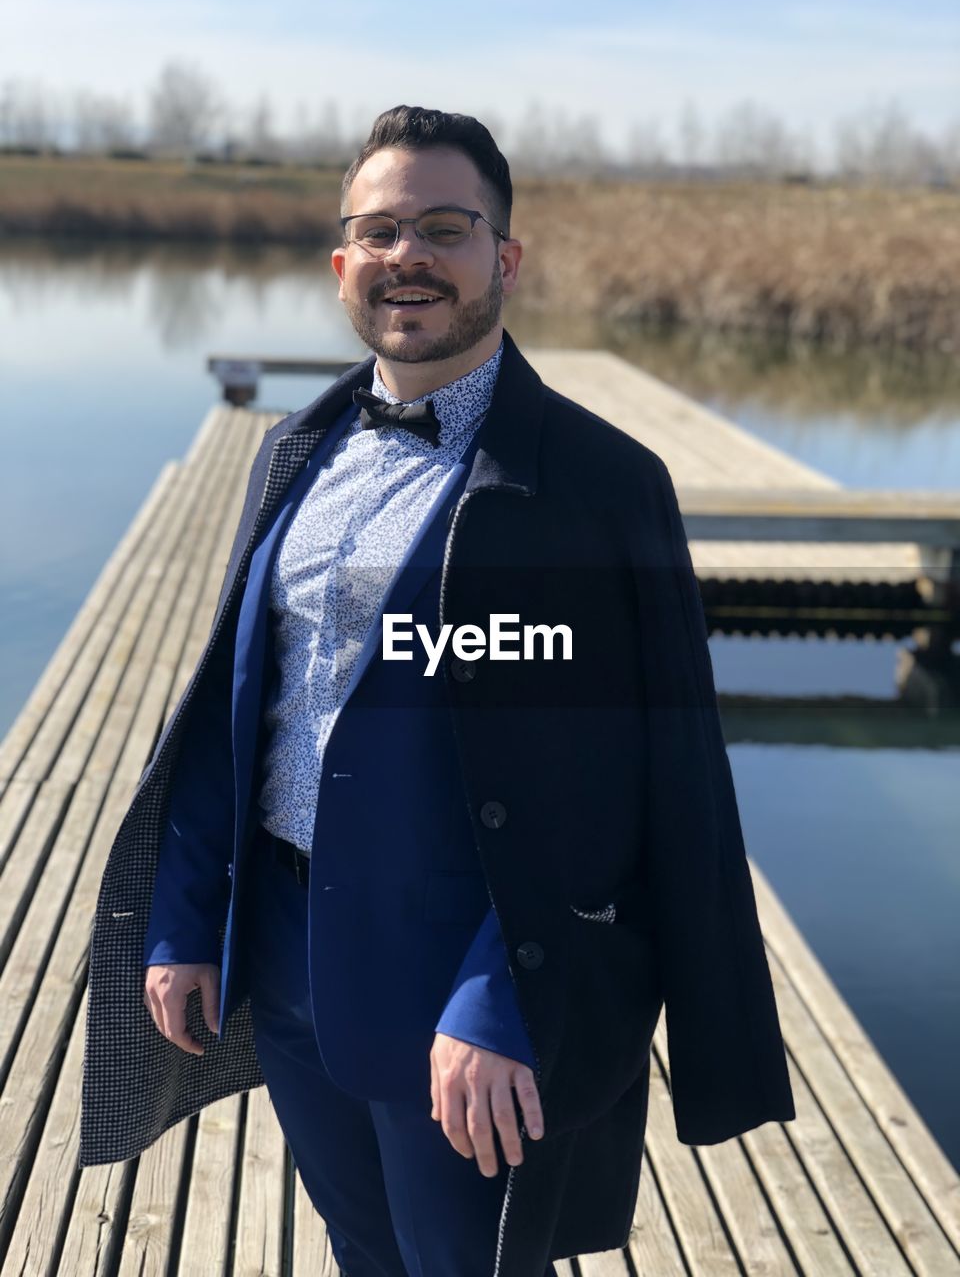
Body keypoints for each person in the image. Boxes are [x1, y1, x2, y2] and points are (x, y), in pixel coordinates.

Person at [80, 105, 795, 1277]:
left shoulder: (599, 486)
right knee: (361, 1246)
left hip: (461, 991)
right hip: (288, 957)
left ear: (504, 257)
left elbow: (620, 783)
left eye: (445, 227)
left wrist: (501, 997)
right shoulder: (292, 451)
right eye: (378, 229)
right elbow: (236, 705)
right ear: (341, 263)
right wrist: (186, 914)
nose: (406, 254)